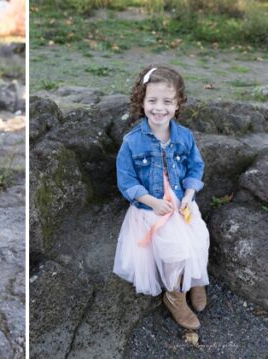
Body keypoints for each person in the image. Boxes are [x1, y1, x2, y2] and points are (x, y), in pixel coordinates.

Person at [113, 65, 209, 330]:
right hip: (151, 207)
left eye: (167, 102)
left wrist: (189, 195)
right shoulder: (132, 142)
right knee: (174, 250)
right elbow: (127, 180)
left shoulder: (184, 136)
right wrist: (152, 202)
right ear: (141, 101)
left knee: (199, 238)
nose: (159, 108)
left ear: (178, 104)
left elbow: (195, 167)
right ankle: (175, 295)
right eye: (152, 100)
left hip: (180, 201)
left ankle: (196, 280)